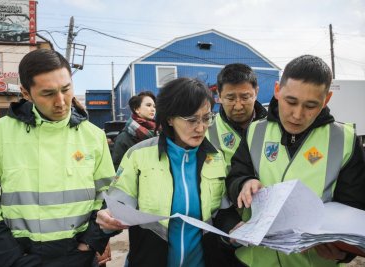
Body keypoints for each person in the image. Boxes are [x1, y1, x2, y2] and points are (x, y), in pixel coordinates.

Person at [0, 49, 115, 267]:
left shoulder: (94, 135)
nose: (61, 102)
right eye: (48, 93)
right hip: (22, 256)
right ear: (26, 93)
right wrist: (11, 259)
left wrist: (91, 242)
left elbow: (108, 196)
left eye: (66, 89)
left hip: (80, 255)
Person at [227, 55, 365, 267]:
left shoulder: (344, 139)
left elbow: (354, 206)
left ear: (326, 99)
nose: (297, 114)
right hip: (255, 260)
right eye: (290, 101)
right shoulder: (256, 131)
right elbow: (236, 174)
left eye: (311, 105)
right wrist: (244, 183)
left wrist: (342, 253)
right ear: (277, 90)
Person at [97, 77, 240, 267]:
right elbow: (120, 203)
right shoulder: (139, 155)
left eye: (206, 118)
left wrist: (234, 227)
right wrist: (108, 217)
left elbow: (222, 212)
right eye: (191, 120)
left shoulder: (215, 158)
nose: (201, 127)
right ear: (170, 118)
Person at [207, 63, 267, 172]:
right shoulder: (205, 130)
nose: (238, 106)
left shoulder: (275, 125)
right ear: (219, 95)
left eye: (245, 97)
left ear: (256, 92)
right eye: (230, 99)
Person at [111, 91, 157, 170]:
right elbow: (118, 167)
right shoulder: (124, 138)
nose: (153, 109)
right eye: (148, 105)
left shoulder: (160, 132)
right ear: (137, 109)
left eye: (154, 106)